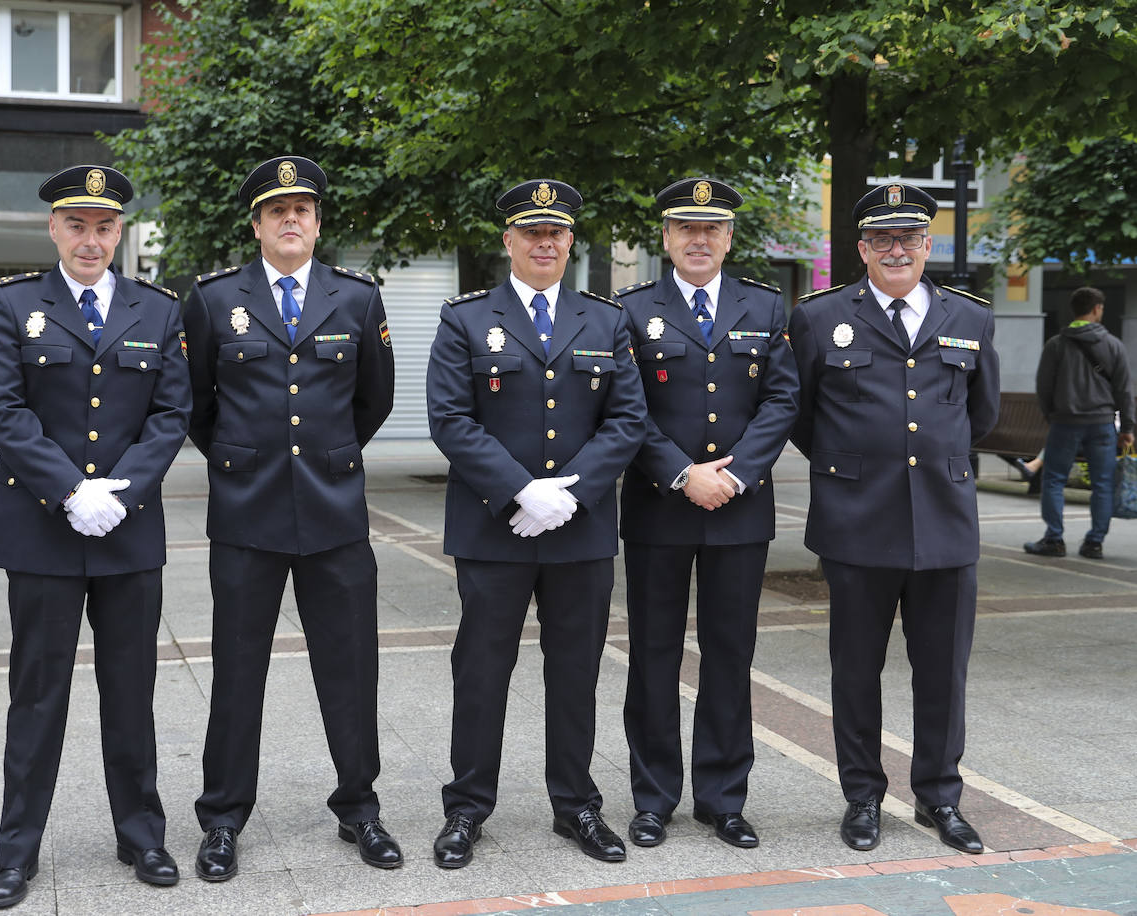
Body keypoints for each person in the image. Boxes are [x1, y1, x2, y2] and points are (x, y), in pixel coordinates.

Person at [0, 165, 191, 908]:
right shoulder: (12, 305)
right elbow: (2, 411)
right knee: (37, 696)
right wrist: (70, 490)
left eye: (103, 226)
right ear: (54, 228)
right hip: (42, 531)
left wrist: (117, 494)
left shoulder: (158, 311)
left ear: (120, 231)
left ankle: (143, 836)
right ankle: (16, 852)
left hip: (127, 533)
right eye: (77, 225)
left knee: (131, 692)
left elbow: (170, 416)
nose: (90, 239)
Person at [182, 156, 399, 881]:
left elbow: (374, 402)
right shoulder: (214, 300)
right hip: (247, 516)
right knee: (237, 672)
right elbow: (198, 408)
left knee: (351, 670)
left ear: (317, 221)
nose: (291, 220)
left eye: (302, 209)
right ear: (256, 224)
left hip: (335, 515)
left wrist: (328, 459)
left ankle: (360, 809)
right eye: (277, 211)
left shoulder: (357, 299)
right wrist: (244, 459)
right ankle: (221, 818)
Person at [424, 179, 646, 867]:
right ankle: (466, 809)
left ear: (571, 242)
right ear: (508, 242)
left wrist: (568, 494)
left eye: (555, 233)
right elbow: (450, 419)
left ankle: (576, 805)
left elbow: (628, 418)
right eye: (530, 233)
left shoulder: (606, 321)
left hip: (577, 532)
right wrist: (521, 490)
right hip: (495, 529)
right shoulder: (465, 320)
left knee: (575, 671)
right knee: (482, 670)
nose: (544, 243)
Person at [788, 183, 1000, 855]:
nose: (896, 249)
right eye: (882, 239)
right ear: (862, 249)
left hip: (945, 523)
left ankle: (940, 797)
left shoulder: (970, 317)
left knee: (944, 672)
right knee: (856, 670)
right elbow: (800, 415)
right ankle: (862, 798)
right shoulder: (820, 318)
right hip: (856, 523)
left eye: (909, 239)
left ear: (927, 246)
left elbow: (981, 414)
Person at [613, 178, 798, 850]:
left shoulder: (764, 304)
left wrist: (738, 474)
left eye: (711, 229)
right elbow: (626, 409)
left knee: (730, 655)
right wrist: (681, 473)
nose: (698, 240)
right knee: (654, 655)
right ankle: (654, 797)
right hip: (660, 508)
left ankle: (723, 798)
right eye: (686, 229)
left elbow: (782, 400)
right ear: (665, 237)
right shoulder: (632, 311)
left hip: (738, 511)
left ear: (728, 238)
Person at [1024, 287, 1134, 559]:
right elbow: (1123, 390)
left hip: (1065, 422)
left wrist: (1052, 415)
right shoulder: (1113, 345)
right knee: (1103, 483)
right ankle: (1094, 542)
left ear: (1074, 310)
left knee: (1053, 480)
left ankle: (1054, 539)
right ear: (1097, 309)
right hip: (1102, 424)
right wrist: (1128, 428)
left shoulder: (1056, 344)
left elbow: (1044, 386)